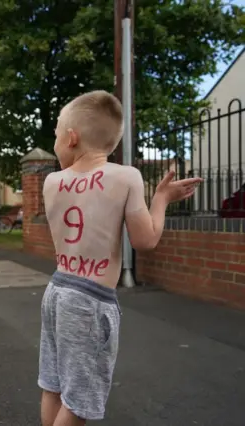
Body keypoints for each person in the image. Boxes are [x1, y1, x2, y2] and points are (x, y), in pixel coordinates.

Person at [38, 90, 201, 426]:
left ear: (71, 138)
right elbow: (145, 240)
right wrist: (161, 199)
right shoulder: (126, 177)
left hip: (57, 291)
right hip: (90, 300)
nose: (54, 142)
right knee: (79, 399)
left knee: (53, 384)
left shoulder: (52, 182)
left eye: (55, 134)